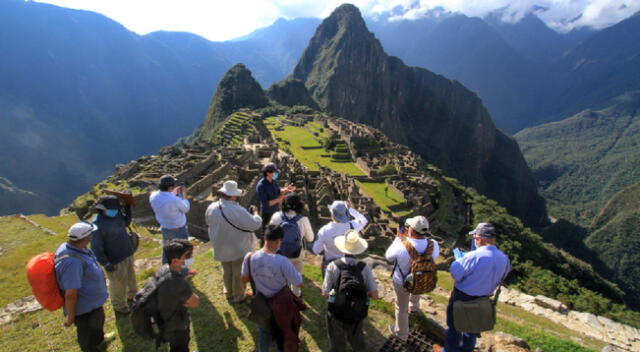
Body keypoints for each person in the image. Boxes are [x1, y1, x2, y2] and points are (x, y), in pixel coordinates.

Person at [434, 223, 511, 352]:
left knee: (454, 328)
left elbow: (456, 274)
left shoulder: (474, 256)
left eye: (475, 238)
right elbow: (502, 275)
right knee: (472, 330)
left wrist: (459, 261)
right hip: (483, 299)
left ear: (480, 239)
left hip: (463, 296)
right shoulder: (504, 259)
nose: (474, 241)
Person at [241, 225, 303, 352]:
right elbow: (298, 283)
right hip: (281, 304)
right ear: (278, 241)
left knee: (264, 332)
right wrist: (299, 274)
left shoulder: (249, 257)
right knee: (282, 332)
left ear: (264, 238)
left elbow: (244, 279)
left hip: (261, 303)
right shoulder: (282, 261)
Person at [55, 222, 111, 352]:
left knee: (97, 326)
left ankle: (100, 342)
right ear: (86, 238)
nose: (92, 236)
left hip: (92, 305)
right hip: (85, 310)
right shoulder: (71, 263)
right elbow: (70, 294)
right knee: (88, 336)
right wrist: (70, 316)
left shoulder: (77, 248)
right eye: (91, 235)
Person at [385, 215, 440, 342]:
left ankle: (401, 334)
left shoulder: (402, 246)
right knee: (417, 284)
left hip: (402, 282)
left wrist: (398, 239)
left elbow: (389, 257)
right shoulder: (434, 245)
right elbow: (433, 259)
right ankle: (414, 307)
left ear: (411, 230)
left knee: (401, 308)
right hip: (423, 279)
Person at [205, 180, 262, 303]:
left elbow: (209, 223)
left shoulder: (211, 207)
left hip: (221, 244)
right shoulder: (237, 210)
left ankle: (228, 290)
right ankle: (238, 295)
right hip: (237, 246)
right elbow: (254, 225)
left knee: (226, 269)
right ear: (232, 195)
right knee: (238, 272)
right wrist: (256, 214)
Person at [323, 230, 379, 352]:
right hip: (356, 311)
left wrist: (335, 295)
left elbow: (325, 294)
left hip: (336, 311)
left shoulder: (332, 266)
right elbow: (375, 295)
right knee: (357, 341)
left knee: (337, 343)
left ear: (342, 248)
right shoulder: (364, 268)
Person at [91, 195, 137, 314]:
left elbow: (126, 222)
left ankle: (132, 296)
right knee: (118, 283)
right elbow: (96, 247)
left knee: (131, 277)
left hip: (127, 252)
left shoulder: (117, 215)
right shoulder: (97, 225)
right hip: (114, 259)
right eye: (111, 209)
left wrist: (127, 208)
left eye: (116, 209)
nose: (114, 211)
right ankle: (119, 305)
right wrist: (105, 262)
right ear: (102, 209)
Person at [156, 239, 200, 352]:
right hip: (178, 325)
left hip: (165, 321)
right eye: (186, 256)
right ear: (175, 260)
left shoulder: (162, 271)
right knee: (181, 347)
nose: (188, 258)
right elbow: (195, 302)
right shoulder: (178, 283)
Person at [268, 193, 314, 297]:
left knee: (280, 274)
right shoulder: (303, 220)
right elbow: (310, 238)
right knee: (296, 274)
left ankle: (280, 295)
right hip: (297, 252)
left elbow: (270, 234)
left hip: (279, 252)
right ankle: (296, 295)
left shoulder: (276, 216)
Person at [312, 200, 368, 277]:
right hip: (346, 265)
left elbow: (316, 250)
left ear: (332, 215)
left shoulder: (324, 230)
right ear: (346, 214)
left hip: (330, 265)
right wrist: (350, 209)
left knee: (328, 286)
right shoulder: (352, 226)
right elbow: (364, 220)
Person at [149, 175, 191, 268]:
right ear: (170, 187)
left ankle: (165, 269)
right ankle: (182, 272)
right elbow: (186, 208)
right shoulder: (174, 200)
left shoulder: (153, 196)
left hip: (165, 229)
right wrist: (184, 196)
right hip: (179, 230)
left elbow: (164, 200)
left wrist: (172, 193)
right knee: (182, 251)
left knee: (166, 250)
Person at [256, 163, 296, 243]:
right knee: (266, 234)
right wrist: (279, 199)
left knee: (276, 234)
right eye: (274, 172)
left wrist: (286, 189)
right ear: (268, 173)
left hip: (276, 211)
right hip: (267, 214)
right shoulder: (261, 186)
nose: (276, 174)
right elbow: (266, 204)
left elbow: (278, 190)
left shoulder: (274, 181)